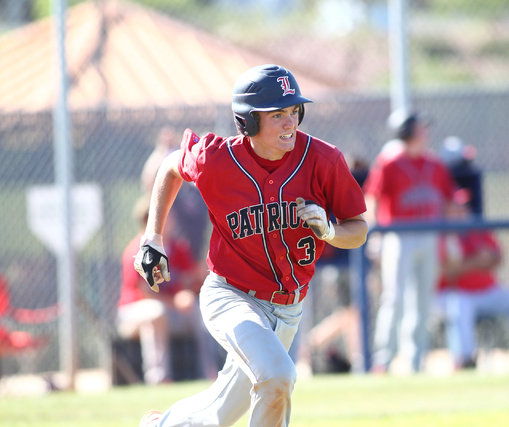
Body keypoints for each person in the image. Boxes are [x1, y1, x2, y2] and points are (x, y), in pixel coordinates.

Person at [134, 64, 368, 427]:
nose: (291, 122)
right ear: (249, 122)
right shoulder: (218, 159)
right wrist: (153, 236)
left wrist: (331, 232)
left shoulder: (323, 160)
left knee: (221, 412)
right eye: (278, 114)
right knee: (278, 377)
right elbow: (170, 166)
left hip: (289, 306)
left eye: (294, 111)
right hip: (231, 295)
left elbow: (359, 229)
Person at [363, 109, 456, 374]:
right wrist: (375, 236)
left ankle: (416, 359)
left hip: (429, 235)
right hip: (398, 236)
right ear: (407, 132)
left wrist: (452, 232)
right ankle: (383, 359)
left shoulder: (435, 163)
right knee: (395, 297)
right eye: (419, 128)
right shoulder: (389, 162)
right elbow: (372, 199)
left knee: (423, 299)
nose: (425, 132)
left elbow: (450, 200)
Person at [117, 198, 219, 385]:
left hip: (171, 311)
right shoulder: (139, 249)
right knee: (156, 312)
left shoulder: (178, 248)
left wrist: (188, 291)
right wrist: (175, 302)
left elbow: (190, 281)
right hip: (133, 314)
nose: (172, 219)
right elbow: (145, 293)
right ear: (151, 219)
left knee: (200, 311)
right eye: (166, 215)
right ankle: (159, 377)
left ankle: (210, 372)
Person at [437, 188, 509, 369]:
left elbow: (497, 258)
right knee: (459, 305)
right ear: (445, 208)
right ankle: (465, 361)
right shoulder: (438, 233)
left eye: (464, 206)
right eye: (456, 206)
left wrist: (463, 265)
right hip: (453, 294)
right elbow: (447, 272)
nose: (462, 210)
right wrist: (477, 261)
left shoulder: (477, 228)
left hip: (488, 291)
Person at [141, 126, 210, 261]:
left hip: (197, 256)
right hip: (171, 255)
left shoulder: (197, 190)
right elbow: (150, 182)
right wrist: (162, 151)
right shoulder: (171, 193)